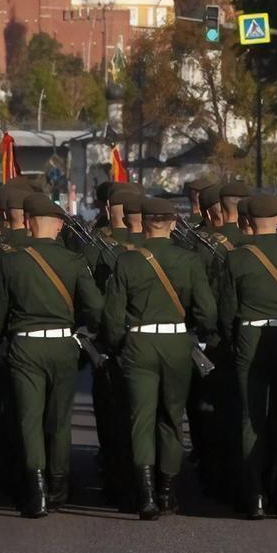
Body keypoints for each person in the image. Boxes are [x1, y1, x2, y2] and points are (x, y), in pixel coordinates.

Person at [101, 196, 218, 520]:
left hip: (139, 342)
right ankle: (167, 492)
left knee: (141, 421)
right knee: (171, 419)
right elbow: (206, 310)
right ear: (173, 223)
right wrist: (203, 332)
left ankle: (147, 495)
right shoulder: (189, 260)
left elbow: (112, 315)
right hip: (176, 341)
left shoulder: (126, 261)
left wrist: (115, 344)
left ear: (143, 222)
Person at [0, 193, 102, 517]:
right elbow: (94, 307)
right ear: (61, 226)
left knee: (29, 419)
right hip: (63, 344)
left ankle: (35, 489)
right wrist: (87, 330)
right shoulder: (74, 261)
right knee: (59, 419)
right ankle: (58, 484)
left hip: (25, 345)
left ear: (27, 223)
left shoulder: (10, 261)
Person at [216, 193, 277, 518]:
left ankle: (254, 492)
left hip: (249, 333)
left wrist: (234, 340)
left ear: (249, 222)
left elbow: (226, 308)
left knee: (250, 416)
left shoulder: (236, 258)